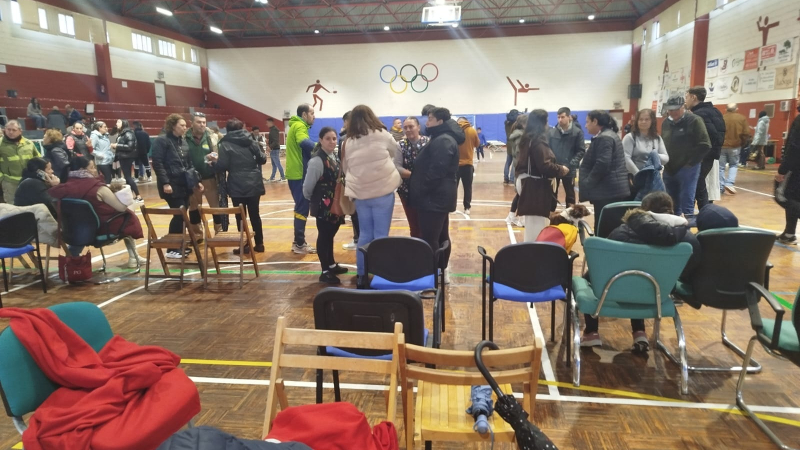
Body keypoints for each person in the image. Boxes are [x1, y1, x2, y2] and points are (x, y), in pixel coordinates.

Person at [581, 191, 700, 351]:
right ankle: (639, 333)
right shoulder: (686, 239)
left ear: (644, 210)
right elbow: (692, 266)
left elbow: (601, 264)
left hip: (614, 290)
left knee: (590, 278)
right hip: (656, 295)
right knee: (645, 278)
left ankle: (591, 332)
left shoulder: (621, 233)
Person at [49, 157, 146, 268]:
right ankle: (134, 257)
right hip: (102, 230)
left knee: (81, 221)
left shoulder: (60, 189)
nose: (95, 170)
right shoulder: (98, 188)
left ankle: (71, 259)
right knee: (128, 214)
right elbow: (121, 208)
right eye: (92, 167)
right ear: (82, 170)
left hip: (72, 231)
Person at [343, 105, 401, 285]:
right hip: (383, 191)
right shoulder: (382, 134)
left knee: (364, 235)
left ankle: (362, 274)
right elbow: (395, 151)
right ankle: (380, 274)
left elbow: (345, 168)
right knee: (381, 235)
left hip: (360, 194)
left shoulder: (348, 141)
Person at [409, 107, 464, 284]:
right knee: (440, 236)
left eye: (430, 119)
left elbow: (437, 171)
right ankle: (439, 270)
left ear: (440, 121)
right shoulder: (442, 137)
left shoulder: (444, 140)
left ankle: (431, 274)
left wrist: (422, 189)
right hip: (437, 197)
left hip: (434, 198)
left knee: (431, 237)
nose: (427, 122)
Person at [151, 113, 205, 259]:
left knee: (182, 215)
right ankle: (172, 248)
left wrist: (196, 181)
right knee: (179, 215)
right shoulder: (161, 141)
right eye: (182, 125)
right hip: (171, 185)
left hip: (184, 184)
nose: (185, 127)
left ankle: (179, 245)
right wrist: (166, 182)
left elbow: (189, 164)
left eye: (185, 125)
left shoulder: (183, 141)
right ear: (173, 126)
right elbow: (158, 163)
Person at [515, 109, 569, 241]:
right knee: (537, 227)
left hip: (528, 183)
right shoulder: (537, 141)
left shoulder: (528, 138)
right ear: (542, 122)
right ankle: (535, 252)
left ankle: (533, 250)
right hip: (534, 186)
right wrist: (561, 169)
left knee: (534, 225)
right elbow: (544, 166)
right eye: (546, 121)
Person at [304, 127, 348, 284]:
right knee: (324, 236)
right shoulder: (317, 161)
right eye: (328, 138)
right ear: (320, 140)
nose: (332, 141)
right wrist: (313, 200)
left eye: (334, 138)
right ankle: (325, 271)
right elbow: (307, 186)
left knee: (330, 235)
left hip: (335, 203)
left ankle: (331, 264)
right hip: (324, 205)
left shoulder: (334, 156)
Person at [216, 118, 267, 254]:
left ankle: (245, 245)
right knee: (255, 215)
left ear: (228, 130)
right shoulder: (251, 141)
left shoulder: (225, 144)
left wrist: (213, 163)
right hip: (254, 182)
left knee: (240, 216)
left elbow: (222, 165)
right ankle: (259, 244)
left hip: (236, 183)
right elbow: (262, 159)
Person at [661, 95, 711, 221]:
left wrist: (691, 163)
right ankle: (674, 226)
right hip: (669, 168)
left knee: (687, 201)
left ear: (683, 107)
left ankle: (687, 228)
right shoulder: (666, 123)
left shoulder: (695, 121)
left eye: (676, 109)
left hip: (688, 168)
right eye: (670, 110)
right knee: (670, 201)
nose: (673, 112)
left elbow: (705, 144)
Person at [579, 110, 630, 229]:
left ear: (595, 121)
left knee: (604, 228)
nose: (585, 125)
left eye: (587, 122)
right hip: (610, 190)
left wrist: (588, 182)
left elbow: (602, 164)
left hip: (607, 192)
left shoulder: (605, 138)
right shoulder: (609, 135)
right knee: (611, 226)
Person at [685, 86, 726, 209]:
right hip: (712, 155)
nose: (685, 101)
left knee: (698, 183)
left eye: (687, 97)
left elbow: (710, 135)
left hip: (703, 156)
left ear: (693, 97)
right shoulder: (715, 111)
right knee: (700, 183)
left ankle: (703, 211)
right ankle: (702, 210)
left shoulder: (699, 115)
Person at [285, 104, 317, 254]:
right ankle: (299, 243)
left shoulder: (296, 125)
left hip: (296, 173)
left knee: (301, 206)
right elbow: (303, 142)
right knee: (302, 207)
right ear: (304, 115)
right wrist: (321, 147)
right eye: (312, 113)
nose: (314, 116)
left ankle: (298, 242)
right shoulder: (299, 125)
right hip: (298, 173)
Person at [186, 112, 222, 236]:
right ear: (191, 123)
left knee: (215, 207)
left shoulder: (213, 136)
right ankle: (197, 234)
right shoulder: (184, 137)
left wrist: (215, 157)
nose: (202, 125)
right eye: (198, 122)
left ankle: (219, 232)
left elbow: (220, 153)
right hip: (192, 179)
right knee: (194, 208)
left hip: (210, 177)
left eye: (204, 122)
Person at [394, 116, 429, 238]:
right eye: (405, 127)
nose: (408, 130)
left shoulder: (428, 142)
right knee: (414, 226)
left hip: (427, 191)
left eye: (411, 126)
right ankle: (416, 248)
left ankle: (428, 249)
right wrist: (415, 176)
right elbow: (397, 167)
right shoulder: (400, 145)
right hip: (407, 191)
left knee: (427, 224)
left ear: (418, 127)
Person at [548, 107, 586, 207]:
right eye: (558, 117)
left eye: (562, 117)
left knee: (570, 196)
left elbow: (581, 151)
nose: (560, 120)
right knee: (551, 194)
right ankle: (550, 214)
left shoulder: (577, 132)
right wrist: (552, 164)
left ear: (569, 117)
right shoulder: (552, 132)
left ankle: (570, 215)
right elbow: (548, 150)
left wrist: (569, 165)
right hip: (555, 168)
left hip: (569, 169)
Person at [0, 120, 41, 203]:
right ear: (5, 130)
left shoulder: (29, 143)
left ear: (20, 131)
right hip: (10, 183)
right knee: (13, 207)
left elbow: (38, 160)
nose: (11, 132)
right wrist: (2, 179)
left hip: (29, 181)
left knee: (30, 204)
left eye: (14, 130)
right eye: (8, 129)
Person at [776, 106, 800, 245]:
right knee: (795, 198)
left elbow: (794, 147)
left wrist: (783, 170)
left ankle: (789, 233)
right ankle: (789, 233)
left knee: (783, 195)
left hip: (796, 169)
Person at [338, 110, 360, 250]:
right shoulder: (366, 137)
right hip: (364, 181)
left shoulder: (345, 140)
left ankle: (358, 240)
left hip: (352, 180)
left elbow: (341, 161)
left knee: (354, 212)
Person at [623, 109, 669, 176]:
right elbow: (626, 158)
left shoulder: (657, 138)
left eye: (647, 119)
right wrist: (638, 174)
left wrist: (655, 155)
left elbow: (666, 158)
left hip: (652, 176)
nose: (643, 122)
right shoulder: (630, 137)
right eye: (641, 119)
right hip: (634, 175)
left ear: (652, 121)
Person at [720, 103, 750, 195]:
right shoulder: (741, 118)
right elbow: (746, 133)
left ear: (726, 109)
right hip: (735, 146)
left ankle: (720, 186)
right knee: (733, 165)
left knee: (720, 167)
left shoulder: (721, 118)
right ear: (737, 109)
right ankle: (729, 183)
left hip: (722, 146)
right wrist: (742, 143)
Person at [505, 114, 528, 227]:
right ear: (524, 124)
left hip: (519, 167)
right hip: (521, 168)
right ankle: (521, 219)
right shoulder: (521, 137)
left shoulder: (518, 134)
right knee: (522, 195)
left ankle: (511, 216)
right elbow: (520, 154)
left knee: (520, 194)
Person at [113, 119, 142, 203]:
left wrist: (117, 146)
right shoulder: (122, 133)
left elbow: (130, 146)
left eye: (119, 122)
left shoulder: (128, 133)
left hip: (127, 157)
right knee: (127, 177)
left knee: (128, 177)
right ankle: (131, 196)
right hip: (123, 157)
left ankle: (138, 196)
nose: (116, 123)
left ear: (124, 123)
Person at [456, 117, 480, 215]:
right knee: (467, 187)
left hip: (456, 164)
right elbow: (477, 144)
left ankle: (452, 207)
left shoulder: (454, 131)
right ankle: (467, 208)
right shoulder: (472, 130)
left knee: (453, 187)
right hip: (468, 164)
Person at [503, 109, 521, 184]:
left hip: (508, 143)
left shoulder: (506, 123)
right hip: (514, 143)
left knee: (508, 162)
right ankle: (512, 179)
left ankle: (505, 178)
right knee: (514, 162)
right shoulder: (516, 124)